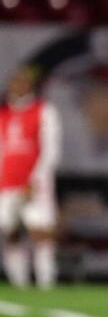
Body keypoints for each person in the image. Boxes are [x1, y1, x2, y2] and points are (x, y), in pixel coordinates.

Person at [0, 65, 62, 290]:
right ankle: (20, 286)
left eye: (22, 82)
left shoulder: (43, 111)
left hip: (35, 184)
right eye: (14, 81)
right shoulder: (3, 115)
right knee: (10, 232)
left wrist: (35, 180)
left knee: (41, 232)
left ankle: (46, 284)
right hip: (6, 184)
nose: (17, 86)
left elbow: (50, 150)